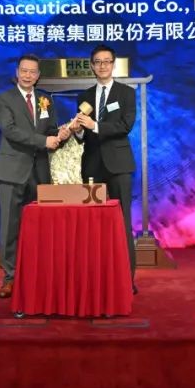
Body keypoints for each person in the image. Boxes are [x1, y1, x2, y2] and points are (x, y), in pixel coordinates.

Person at [0, 54, 69, 298]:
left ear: (38, 75)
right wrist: (44, 141)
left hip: (40, 171)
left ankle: (39, 276)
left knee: (41, 228)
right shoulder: (4, 99)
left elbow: (51, 131)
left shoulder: (46, 99)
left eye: (32, 72)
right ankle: (10, 277)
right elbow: (10, 131)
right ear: (17, 72)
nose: (27, 75)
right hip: (12, 171)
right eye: (24, 71)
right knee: (9, 227)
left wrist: (63, 133)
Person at [73, 44, 137, 292]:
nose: (102, 66)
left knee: (122, 222)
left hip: (119, 166)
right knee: (93, 224)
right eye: (98, 62)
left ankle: (127, 280)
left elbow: (125, 126)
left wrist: (95, 125)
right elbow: (83, 136)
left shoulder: (126, 93)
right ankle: (96, 279)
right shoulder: (84, 95)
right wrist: (79, 131)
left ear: (113, 64)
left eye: (107, 61)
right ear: (92, 65)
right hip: (92, 166)